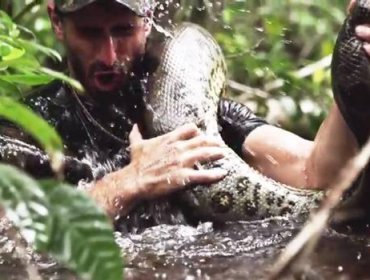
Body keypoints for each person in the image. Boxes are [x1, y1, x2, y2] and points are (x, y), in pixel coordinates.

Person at [0, 0, 369, 228]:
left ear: (147, 21)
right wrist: (129, 181)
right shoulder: (29, 123)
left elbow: (317, 172)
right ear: (57, 22)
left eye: (123, 30)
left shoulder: (197, 110)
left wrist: (355, 61)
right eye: (91, 32)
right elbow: (9, 234)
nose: (109, 55)